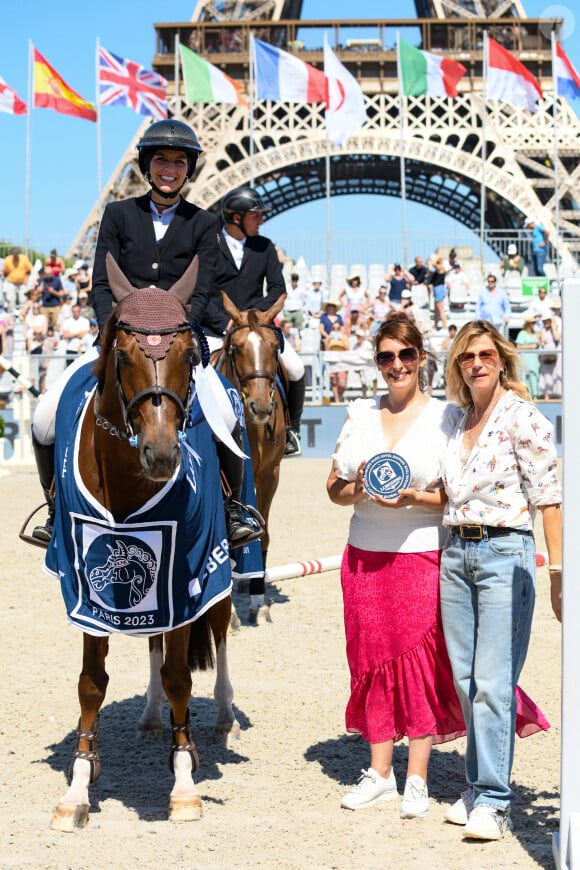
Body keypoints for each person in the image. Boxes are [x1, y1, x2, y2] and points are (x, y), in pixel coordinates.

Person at [30, 120, 258, 548]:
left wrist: (173, 333)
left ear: (188, 169)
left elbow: (202, 285)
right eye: (161, 160)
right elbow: (102, 282)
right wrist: (110, 332)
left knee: (228, 414)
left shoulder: (204, 223)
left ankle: (232, 510)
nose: (169, 168)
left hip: (175, 342)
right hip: (122, 339)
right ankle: (54, 506)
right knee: (45, 416)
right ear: (146, 166)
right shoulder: (117, 214)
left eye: (178, 161)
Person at [327, 313, 468, 819]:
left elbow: (455, 496)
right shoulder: (360, 414)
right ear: (377, 362)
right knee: (371, 661)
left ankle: (417, 776)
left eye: (406, 355)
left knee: (419, 664)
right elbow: (333, 490)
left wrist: (413, 496)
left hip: (422, 554)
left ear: (421, 359)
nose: (396, 365)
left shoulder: (448, 417)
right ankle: (380, 772)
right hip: (364, 554)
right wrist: (360, 485)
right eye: (386, 356)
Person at [440, 320, 562, 841]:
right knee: (467, 681)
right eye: (467, 356)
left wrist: (558, 573)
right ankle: (477, 785)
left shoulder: (523, 417)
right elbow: (446, 494)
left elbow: (549, 498)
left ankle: (494, 797)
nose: (477, 363)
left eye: (485, 353)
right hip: (455, 554)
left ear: (502, 359)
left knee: (493, 683)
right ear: (458, 365)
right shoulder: (456, 420)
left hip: (503, 553)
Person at [189, 186, 306, 458]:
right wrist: (228, 322)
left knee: (296, 367)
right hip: (217, 327)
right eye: (256, 215)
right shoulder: (209, 245)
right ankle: (186, 429)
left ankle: (291, 430)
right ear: (236, 218)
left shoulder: (265, 247)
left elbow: (277, 288)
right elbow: (201, 292)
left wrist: (254, 317)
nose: (261, 220)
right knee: (192, 372)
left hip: (257, 326)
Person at [515, 313, 540, 398]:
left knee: (534, 374)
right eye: (532, 322)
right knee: (526, 375)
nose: (533, 324)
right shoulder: (522, 333)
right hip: (526, 358)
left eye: (534, 322)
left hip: (534, 358)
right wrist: (531, 346)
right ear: (528, 324)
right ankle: (526, 394)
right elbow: (518, 346)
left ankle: (535, 395)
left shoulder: (536, 333)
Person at [3, 247, 32, 314]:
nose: (16, 255)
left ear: (19, 253)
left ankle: (23, 314)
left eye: (17, 253)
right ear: (12, 254)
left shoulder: (24, 258)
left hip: (22, 282)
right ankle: (11, 315)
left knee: (23, 299)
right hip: (11, 282)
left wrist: (26, 279)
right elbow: (5, 271)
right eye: (14, 254)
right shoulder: (8, 259)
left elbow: (29, 270)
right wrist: (8, 278)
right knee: (10, 298)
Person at [538, 314, 562, 399]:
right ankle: (546, 395)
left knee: (556, 373)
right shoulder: (542, 330)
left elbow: (557, 338)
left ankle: (558, 394)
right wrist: (543, 335)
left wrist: (553, 326)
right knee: (546, 373)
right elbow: (542, 342)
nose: (546, 322)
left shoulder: (556, 328)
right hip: (546, 352)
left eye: (548, 320)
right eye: (545, 321)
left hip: (555, 353)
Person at [427, 256, 448, 330]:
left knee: (441, 309)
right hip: (436, 289)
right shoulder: (437, 269)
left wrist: (435, 258)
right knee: (436, 310)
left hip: (439, 289)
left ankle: (445, 326)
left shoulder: (441, 267)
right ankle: (435, 326)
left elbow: (433, 264)